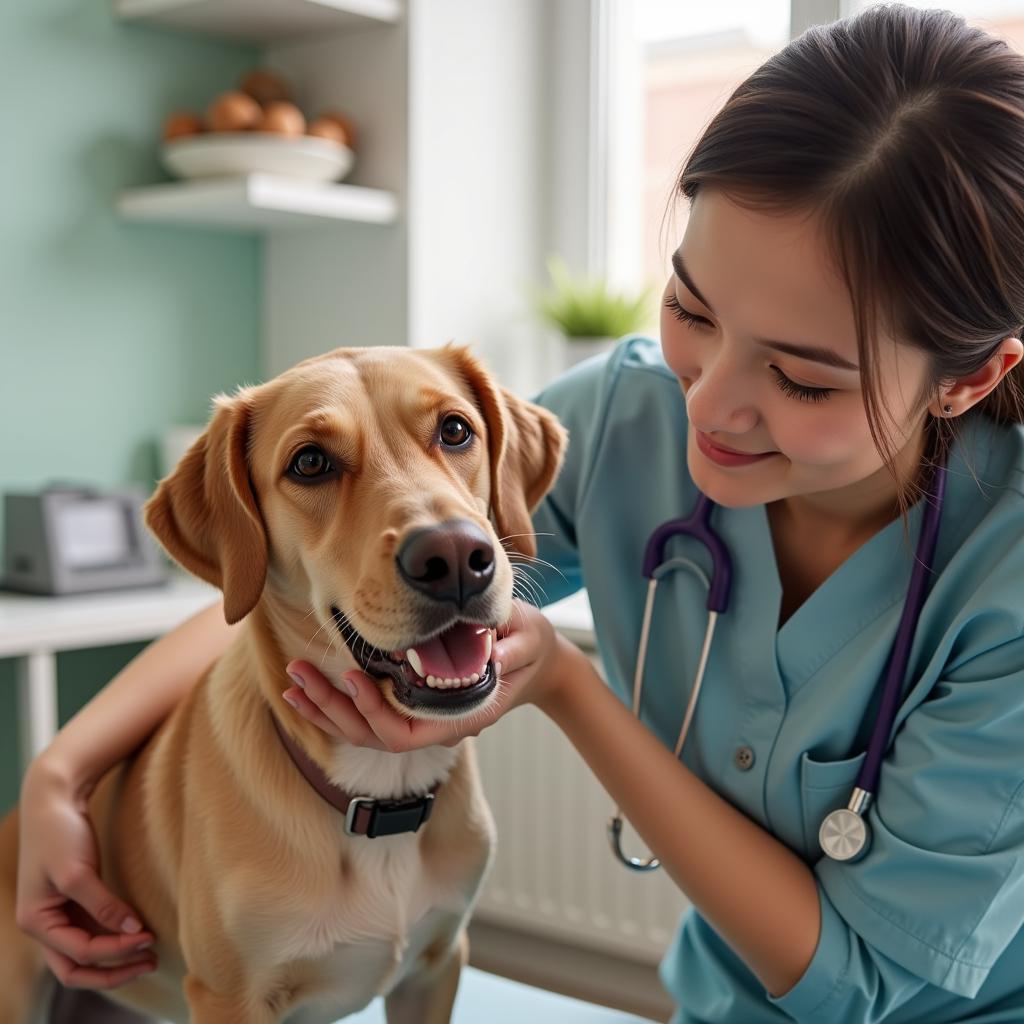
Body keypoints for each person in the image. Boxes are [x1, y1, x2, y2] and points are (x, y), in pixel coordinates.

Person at [16, 5, 1024, 1022]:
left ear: (969, 377)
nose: (709, 407)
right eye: (691, 310)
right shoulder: (625, 420)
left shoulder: (1004, 578)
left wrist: (570, 690)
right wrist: (62, 773)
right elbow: (291, 591)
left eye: (802, 378)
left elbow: (860, 984)